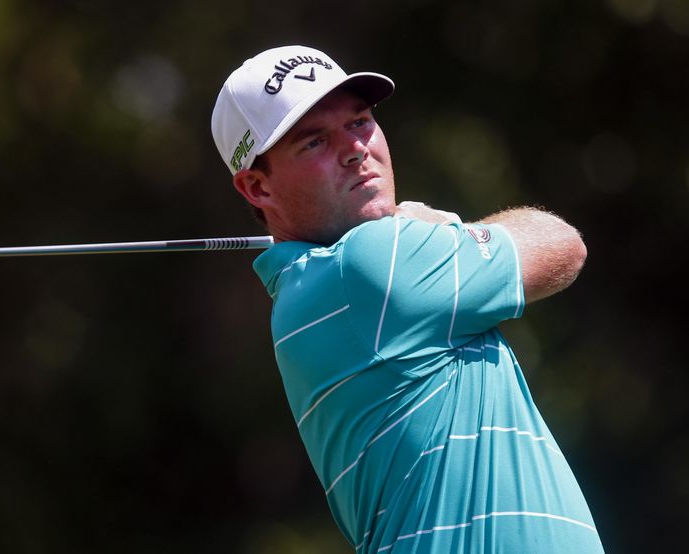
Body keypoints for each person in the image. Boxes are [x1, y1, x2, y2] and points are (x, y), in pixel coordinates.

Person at [211, 45, 605, 553]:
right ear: (257, 187)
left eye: (359, 121)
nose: (354, 148)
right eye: (314, 142)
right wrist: (449, 227)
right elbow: (563, 245)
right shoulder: (369, 265)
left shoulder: (314, 290)